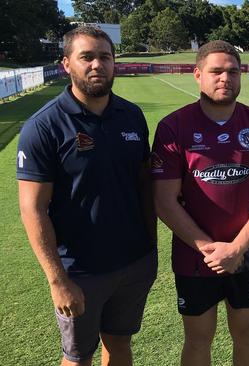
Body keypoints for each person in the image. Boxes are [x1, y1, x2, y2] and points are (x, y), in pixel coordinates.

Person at [16, 26, 157, 366]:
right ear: (67, 64)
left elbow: (143, 187)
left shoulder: (132, 116)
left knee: (120, 345)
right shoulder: (44, 126)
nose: (97, 65)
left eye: (105, 57)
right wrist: (57, 280)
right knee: (78, 357)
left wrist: (150, 251)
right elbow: (33, 209)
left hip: (133, 263)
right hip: (80, 272)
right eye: (87, 57)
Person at [151, 40, 249, 366]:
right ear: (198, 75)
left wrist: (236, 249)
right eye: (216, 71)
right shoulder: (173, 127)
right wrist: (211, 250)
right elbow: (164, 200)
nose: (225, 78)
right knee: (198, 340)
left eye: (233, 72)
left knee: (247, 336)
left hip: (248, 254)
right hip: (194, 256)